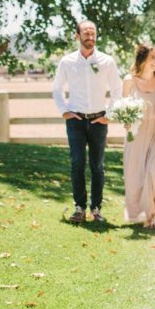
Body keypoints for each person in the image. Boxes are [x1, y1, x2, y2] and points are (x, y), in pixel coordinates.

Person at [52, 20, 123, 224]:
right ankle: (79, 207)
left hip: (99, 120)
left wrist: (109, 114)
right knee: (77, 163)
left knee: (97, 165)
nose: (90, 37)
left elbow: (116, 90)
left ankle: (96, 208)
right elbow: (57, 88)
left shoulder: (107, 61)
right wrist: (64, 111)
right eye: (86, 33)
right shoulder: (67, 62)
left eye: (93, 33)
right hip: (75, 120)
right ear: (77, 36)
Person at [122, 44, 155, 228]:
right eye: (152, 57)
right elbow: (124, 108)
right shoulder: (129, 80)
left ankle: (154, 215)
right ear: (142, 59)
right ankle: (143, 213)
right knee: (136, 176)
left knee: (154, 172)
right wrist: (126, 123)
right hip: (137, 133)